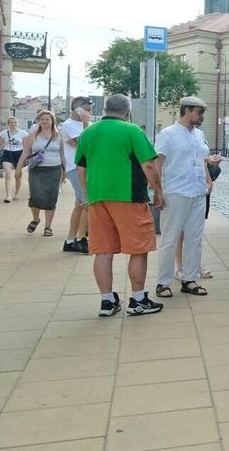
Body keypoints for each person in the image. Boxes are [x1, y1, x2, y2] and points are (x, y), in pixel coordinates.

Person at [74, 94, 164, 317]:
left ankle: (107, 301)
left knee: (103, 251)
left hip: (97, 199)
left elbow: (81, 169)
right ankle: (138, 299)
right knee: (138, 248)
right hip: (129, 197)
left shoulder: (88, 133)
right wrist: (158, 191)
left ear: (105, 110)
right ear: (127, 111)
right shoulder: (132, 131)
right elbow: (149, 165)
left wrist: (87, 194)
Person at [154, 96, 212, 298]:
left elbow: (200, 159)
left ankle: (190, 279)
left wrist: (207, 179)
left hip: (198, 191)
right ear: (186, 111)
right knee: (170, 238)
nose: (202, 116)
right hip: (176, 192)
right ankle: (163, 282)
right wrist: (156, 191)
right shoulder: (167, 135)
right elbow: (157, 164)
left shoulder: (199, 134)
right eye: (199, 112)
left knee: (195, 238)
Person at [19, 110, 65, 235]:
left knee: (51, 197)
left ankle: (48, 227)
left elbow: (63, 154)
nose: (44, 121)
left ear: (52, 121)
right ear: (38, 121)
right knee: (35, 196)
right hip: (36, 170)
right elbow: (26, 152)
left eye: (47, 119)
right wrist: (18, 169)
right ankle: (35, 219)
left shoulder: (59, 135)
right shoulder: (33, 135)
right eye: (42, 119)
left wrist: (67, 170)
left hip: (53, 169)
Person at [61, 97, 92, 253]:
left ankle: (70, 240)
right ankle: (81, 239)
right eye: (86, 109)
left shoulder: (86, 125)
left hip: (86, 167)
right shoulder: (68, 125)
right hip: (75, 167)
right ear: (77, 109)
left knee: (79, 203)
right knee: (86, 201)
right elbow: (86, 143)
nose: (89, 113)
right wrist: (86, 125)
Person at [0, 116, 28, 203]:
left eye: (15, 122)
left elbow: (26, 146)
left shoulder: (23, 133)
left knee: (18, 176)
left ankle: (16, 194)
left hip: (19, 154)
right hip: (7, 153)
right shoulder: (3, 133)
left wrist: (26, 156)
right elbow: (0, 145)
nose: (13, 124)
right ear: (8, 124)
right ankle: (8, 195)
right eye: (11, 122)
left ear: (17, 123)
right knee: (8, 175)